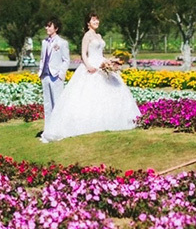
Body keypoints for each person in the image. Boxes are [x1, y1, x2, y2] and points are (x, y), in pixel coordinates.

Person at [41, 12, 141, 143]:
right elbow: (84, 54)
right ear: (88, 23)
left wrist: (109, 61)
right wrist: (89, 66)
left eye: (97, 20)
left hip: (101, 64)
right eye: (93, 20)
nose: (96, 22)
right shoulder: (87, 36)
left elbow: (100, 53)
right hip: (91, 66)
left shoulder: (99, 35)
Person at [37, 17, 70, 137]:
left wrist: (61, 74)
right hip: (45, 75)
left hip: (56, 76)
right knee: (47, 104)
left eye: (49, 26)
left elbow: (66, 60)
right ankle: (48, 130)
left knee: (57, 103)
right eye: (46, 26)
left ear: (56, 28)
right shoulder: (44, 42)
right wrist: (40, 72)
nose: (47, 28)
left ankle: (59, 130)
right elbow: (42, 58)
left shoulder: (62, 43)